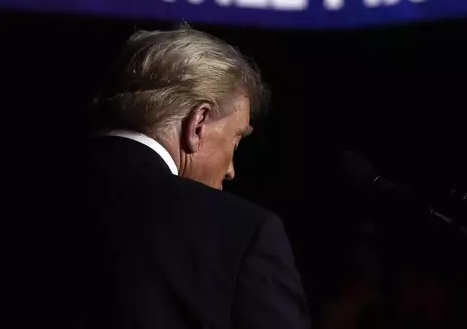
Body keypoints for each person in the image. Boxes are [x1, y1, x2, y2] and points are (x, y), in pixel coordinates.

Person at [27, 25, 311, 329]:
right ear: (198, 123)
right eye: (236, 140)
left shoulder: (14, 193)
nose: (231, 171)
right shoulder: (243, 232)